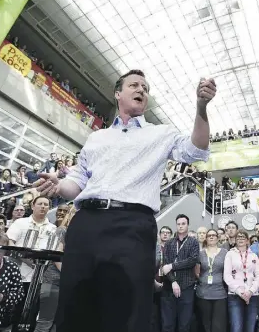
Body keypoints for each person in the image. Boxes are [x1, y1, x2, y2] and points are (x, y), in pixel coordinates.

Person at [34, 70, 216, 332]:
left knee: (126, 311)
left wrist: (201, 108)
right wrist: (59, 184)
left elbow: (196, 150)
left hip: (132, 227)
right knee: (75, 306)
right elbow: (77, 184)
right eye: (134, 85)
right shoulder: (97, 138)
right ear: (118, 93)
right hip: (86, 225)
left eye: (145, 87)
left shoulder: (160, 134)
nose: (142, 89)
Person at [224, 229, 259, 332]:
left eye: (243, 237)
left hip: (252, 295)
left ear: (247, 240)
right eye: (238, 237)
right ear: (235, 240)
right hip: (235, 295)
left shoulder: (253, 255)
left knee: (250, 328)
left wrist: (250, 291)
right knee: (236, 328)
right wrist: (240, 292)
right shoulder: (230, 254)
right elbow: (227, 276)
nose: (240, 239)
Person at [195, 228, 227, 332]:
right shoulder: (200, 253)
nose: (211, 237)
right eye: (209, 236)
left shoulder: (225, 253)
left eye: (214, 235)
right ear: (206, 239)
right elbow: (196, 272)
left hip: (220, 293)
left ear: (218, 238)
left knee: (218, 325)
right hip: (203, 293)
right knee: (205, 325)